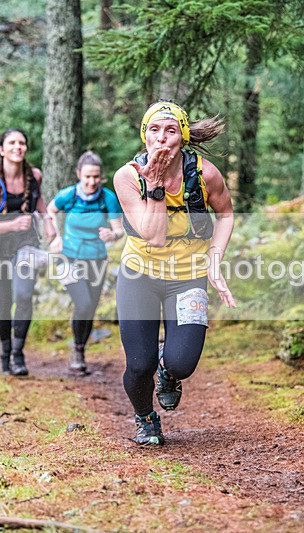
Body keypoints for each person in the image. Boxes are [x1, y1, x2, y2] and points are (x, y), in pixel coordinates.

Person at [113, 101, 237, 445]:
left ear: (182, 136)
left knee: (182, 362)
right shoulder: (127, 177)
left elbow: (225, 214)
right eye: (154, 130)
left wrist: (214, 259)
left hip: (188, 276)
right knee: (140, 365)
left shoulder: (205, 174)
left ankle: (169, 374)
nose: (162, 139)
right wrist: (153, 183)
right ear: (145, 136)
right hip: (140, 274)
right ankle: (145, 418)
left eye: (170, 131)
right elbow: (152, 234)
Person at [0, 129, 56, 377]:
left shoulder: (34, 175)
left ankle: (18, 353)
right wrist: (11, 224)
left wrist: (48, 220)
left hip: (25, 245)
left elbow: (39, 201)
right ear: (2, 149)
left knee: (23, 295)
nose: (17, 147)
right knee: (3, 303)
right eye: (11, 143)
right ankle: (5, 354)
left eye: (22, 142)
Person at [47, 150, 124, 373]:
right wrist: (55, 236)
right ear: (78, 174)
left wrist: (112, 234)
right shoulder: (68, 195)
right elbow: (49, 212)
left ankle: (80, 349)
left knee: (90, 307)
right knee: (83, 304)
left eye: (96, 177)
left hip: (97, 258)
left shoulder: (108, 197)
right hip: (68, 257)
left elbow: (119, 230)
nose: (92, 181)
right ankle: (77, 351)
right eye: (88, 176)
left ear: (101, 177)